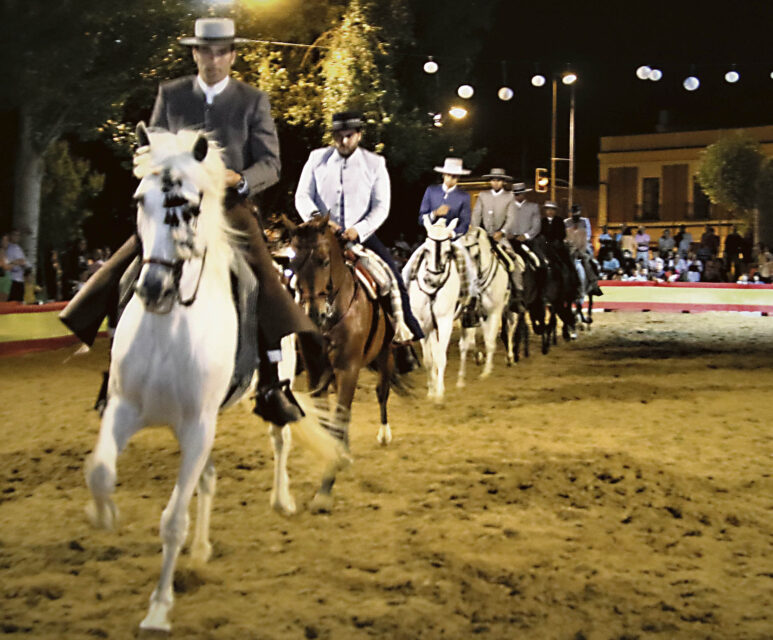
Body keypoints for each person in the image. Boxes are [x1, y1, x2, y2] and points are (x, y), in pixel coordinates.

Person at [59, 17, 330, 426]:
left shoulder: (253, 100)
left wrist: (239, 178)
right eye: (206, 51)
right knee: (130, 267)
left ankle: (273, 381)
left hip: (229, 209)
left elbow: (271, 165)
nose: (214, 59)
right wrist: (147, 164)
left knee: (260, 281)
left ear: (232, 55)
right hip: (176, 205)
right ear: (195, 53)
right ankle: (115, 367)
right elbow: (151, 145)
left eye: (222, 52)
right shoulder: (170, 95)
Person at [294, 110, 423, 370]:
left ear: (359, 135)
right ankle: (292, 339)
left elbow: (381, 206)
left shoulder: (375, 163)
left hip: (359, 238)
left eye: (349, 136)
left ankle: (402, 335)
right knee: (294, 275)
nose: (343, 141)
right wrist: (320, 219)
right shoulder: (316, 159)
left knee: (392, 278)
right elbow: (302, 196)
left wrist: (359, 229)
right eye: (339, 136)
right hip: (320, 235)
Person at [416, 157, 477, 322]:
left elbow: (465, 223)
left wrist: (453, 234)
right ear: (443, 175)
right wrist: (435, 213)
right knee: (412, 262)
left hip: (450, 237)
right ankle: (407, 295)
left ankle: (468, 300)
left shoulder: (463, 196)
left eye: (455, 176)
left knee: (466, 262)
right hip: (432, 235)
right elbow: (421, 217)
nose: (451, 179)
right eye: (449, 175)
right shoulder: (431, 191)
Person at [470, 168, 524, 303]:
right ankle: (469, 293)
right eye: (493, 180)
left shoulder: (509, 196)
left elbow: (511, 218)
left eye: (499, 180)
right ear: (490, 181)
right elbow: (476, 214)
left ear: (503, 182)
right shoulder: (482, 195)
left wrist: (502, 232)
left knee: (513, 260)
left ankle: (518, 292)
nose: (496, 183)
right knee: (470, 256)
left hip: (500, 237)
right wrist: (476, 230)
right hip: (483, 235)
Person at [564, 204, 603, 296]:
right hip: (570, 249)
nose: (575, 215)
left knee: (589, 262)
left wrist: (580, 248)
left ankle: (594, 284)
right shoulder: (566, 222)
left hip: (583, 247)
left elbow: (588, 235)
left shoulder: (585, 221)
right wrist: (570, 246)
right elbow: (564, 236)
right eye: (573, 213)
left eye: (577, 212)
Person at [5, 229, 28, 302]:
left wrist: (25, 265)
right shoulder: (7, 248)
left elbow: (24, 261)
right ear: (10, 236)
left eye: (18, 235)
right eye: (15, 235)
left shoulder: (18, 248)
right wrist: (17, 262)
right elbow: (6, 264)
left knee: (19, 301)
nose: (17, 237)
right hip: (12, 279)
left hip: (20, 279)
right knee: (11, 301)